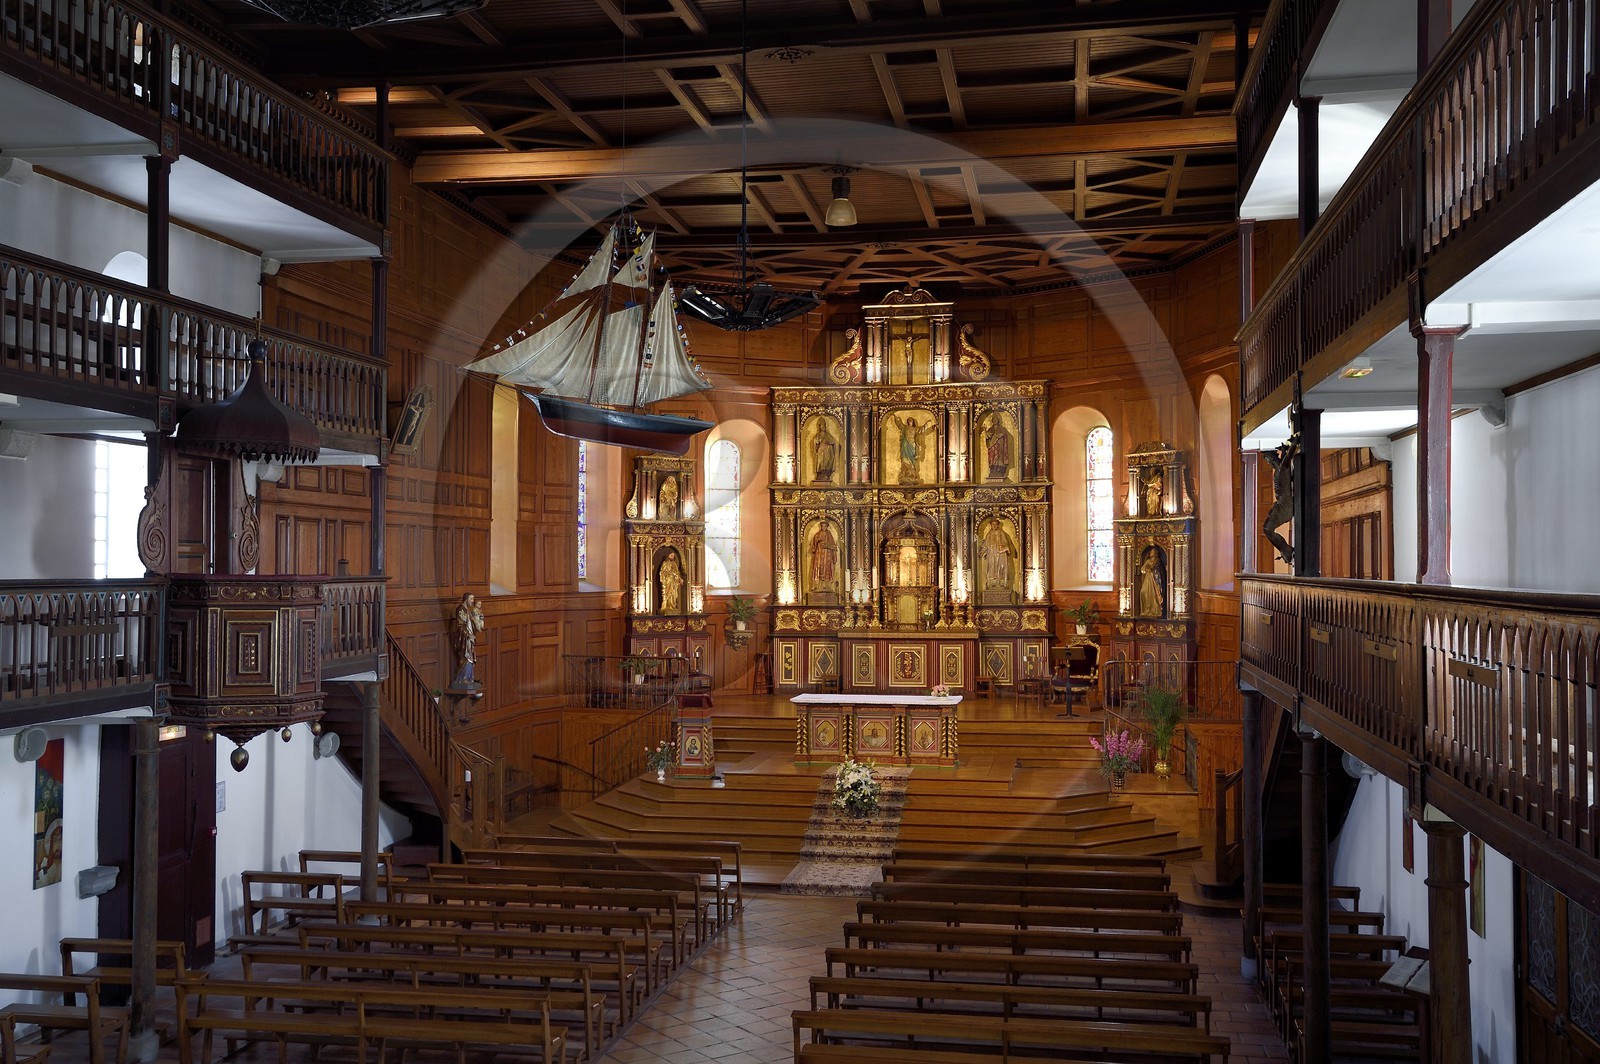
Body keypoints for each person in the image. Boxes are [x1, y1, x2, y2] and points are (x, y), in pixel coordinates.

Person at [451, 592, 485, 687]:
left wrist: (478, 622)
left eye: (473, 599)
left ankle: (469, 677)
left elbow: (471, 624)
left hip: (470, 638)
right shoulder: (460, 609)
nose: (473, 601)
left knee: (470, 657)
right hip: (464, 638)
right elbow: (460, 625)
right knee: (465, 657)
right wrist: (468, 635)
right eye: (471, 599)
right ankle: (463, 678)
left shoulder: (468, 610)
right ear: (466, 599)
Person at [981, 522, 1015, 592]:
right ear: (990, 525)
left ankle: (1001, 583)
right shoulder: (989, 534)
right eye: (993, 524)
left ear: (998, 525)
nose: (994, 526)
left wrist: (1004, 548)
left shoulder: (1001, 533)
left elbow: (1006, 543)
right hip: (991, 554)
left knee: (1000, 568)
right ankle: (991, 583)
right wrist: (982, 552)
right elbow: (985, 545)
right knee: (991, 568)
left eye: (996, 524)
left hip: (1000, 554)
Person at [809, 523, 838, 590]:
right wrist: (817, 541)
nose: (823, 527)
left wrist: (827, 545)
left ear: (827, 527)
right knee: (818, 568)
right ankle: (816, 585)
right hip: (819, 554)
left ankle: (826, 585)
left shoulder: (829, 535)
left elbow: (833, 546)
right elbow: (814, 546)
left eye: (825, 526)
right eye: (822, 526)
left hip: (827, 555)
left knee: (827, 569)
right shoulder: (817, 535)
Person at [1138, 546, 1166, 617]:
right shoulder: (1147, 561)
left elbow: (1156, 570)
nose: (1150, 552)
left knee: (1154, 594)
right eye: (1150, 551)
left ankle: (1155, 610)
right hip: (1147, 579)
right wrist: (1145, 569)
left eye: (1152, 551)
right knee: (1143, 592)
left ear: (1155, 553)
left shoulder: (1157, 560)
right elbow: (1142, 569)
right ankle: (1146, 610)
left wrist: (1150, 569)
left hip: (1154, 580)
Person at [984, 414, 1012, 479]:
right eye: (993, 420)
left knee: (999, 459)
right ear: (992, 421)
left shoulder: (1002, 429)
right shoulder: (990, 429)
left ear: (998, 420)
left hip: (1000, 448)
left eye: (996, 419)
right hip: (992, 449)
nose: (995, 421)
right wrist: (986, 433)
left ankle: (1000, 470)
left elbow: (1005, 435)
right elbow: (988, 438)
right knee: (992, 458)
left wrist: (1000, 436)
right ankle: (993, 470)